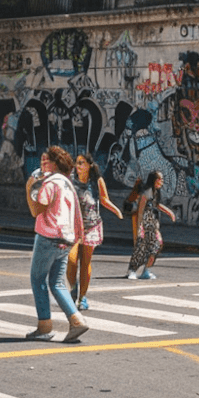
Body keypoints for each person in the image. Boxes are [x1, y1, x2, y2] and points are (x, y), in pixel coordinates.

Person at [25, 145, 89, 342]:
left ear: (54, 163)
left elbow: (36, 210)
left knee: (37, 279)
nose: (42, 164)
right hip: (66, 239)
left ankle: (44, 327)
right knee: (57, 283)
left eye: (46, 160)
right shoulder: (67, 183)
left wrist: (29, 188)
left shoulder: (50, 183)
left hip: (49, 237)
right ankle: (77, 320)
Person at [67, 152, 123, 311]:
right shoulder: (70, 180)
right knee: (71, 260)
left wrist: (117, 211)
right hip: (72, 227)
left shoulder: (97, 181)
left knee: (85, 263)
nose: (78, 166)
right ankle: (72, 289)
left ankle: (82, 297)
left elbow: (104, 200)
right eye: (77, 163)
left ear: (89, 165)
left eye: (81, 163)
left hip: (91, 226)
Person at [127, 169, 175, 280]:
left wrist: (169, 212)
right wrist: (139, 227)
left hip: (153, 225)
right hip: (144, 225)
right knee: (141, 247)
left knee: (157, 245)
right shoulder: (147, 192)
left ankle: (146, 270)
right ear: (154, 180)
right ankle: (132, 271)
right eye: (160, 179)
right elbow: (140, 209)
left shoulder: (156, 192)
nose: (162, 181)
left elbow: (157, 205)